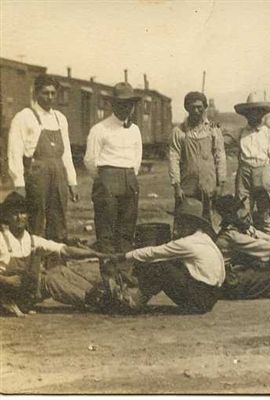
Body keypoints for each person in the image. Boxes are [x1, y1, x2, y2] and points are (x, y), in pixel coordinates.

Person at [100, 198, 226, 314]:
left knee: (160, 266)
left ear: (191, 224)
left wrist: (124, 256)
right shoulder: (205, 239)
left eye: (181, 222)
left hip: (199, 300)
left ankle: (134, 303)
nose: (177, 226)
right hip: (211, 297)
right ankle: (135, 287)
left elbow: (154, 252)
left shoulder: (187, 243)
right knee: (169, 263)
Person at [0, 192, 104, 317]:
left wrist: (96, 254)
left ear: (27, 215)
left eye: (22, 212)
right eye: (14, 213)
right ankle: (96, 301)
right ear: (6, 217)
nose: (19, 217)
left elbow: (64, 250)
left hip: (27, 293)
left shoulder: (32, 240)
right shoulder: (1, 240)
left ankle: (99, 293)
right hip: (7, 296)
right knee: (50, 280)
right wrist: (6, 279)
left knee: (60, 270)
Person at [7, 74, 78, 243]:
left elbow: (66, 152)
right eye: (46, 93)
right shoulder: (24, 117)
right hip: (37, 174)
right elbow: (14, 151)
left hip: (59, 173)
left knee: (58, 217)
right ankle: (35, 264)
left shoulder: (60, 118)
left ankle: (56, 264)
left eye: (53, 93)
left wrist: (72, 181)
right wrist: (19, 183)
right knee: (36, 218)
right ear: (36, 93)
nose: (50, 97)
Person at [84, 82, 143, 257]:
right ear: (113, 104)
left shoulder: (135, 130)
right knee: (106, 231)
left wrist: (128, 176)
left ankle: (124, 274)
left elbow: (137, 159)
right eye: (122, 103)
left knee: (126, 230)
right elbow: (90, 160)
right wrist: (105, 179)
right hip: (107, 182)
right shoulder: (99, 129)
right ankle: (110, 277)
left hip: (130, 181)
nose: (127, 108)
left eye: (130, 104)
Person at [233, 92, 270, 234]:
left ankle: (269, 249)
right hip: (244, 174)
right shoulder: (241, 133)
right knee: (243, 213)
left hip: (264, 172)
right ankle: (248, 249)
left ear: (262, 113)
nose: (253, 115)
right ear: (246, 114)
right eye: (250, 111)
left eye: (257, 111)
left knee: (266, 215)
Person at [169, 91, 227, 220]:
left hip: (209, 186)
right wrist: (176, 186)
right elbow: (174, 158)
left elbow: (220, 156)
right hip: (187, 187)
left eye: (199, 107)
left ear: (205, 107)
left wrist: (221, 184)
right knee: (186, 222)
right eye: (192, 107)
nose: (196, 111)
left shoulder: (213, 129)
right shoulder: (179, 131)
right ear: (187, 108)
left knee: (208, 223)